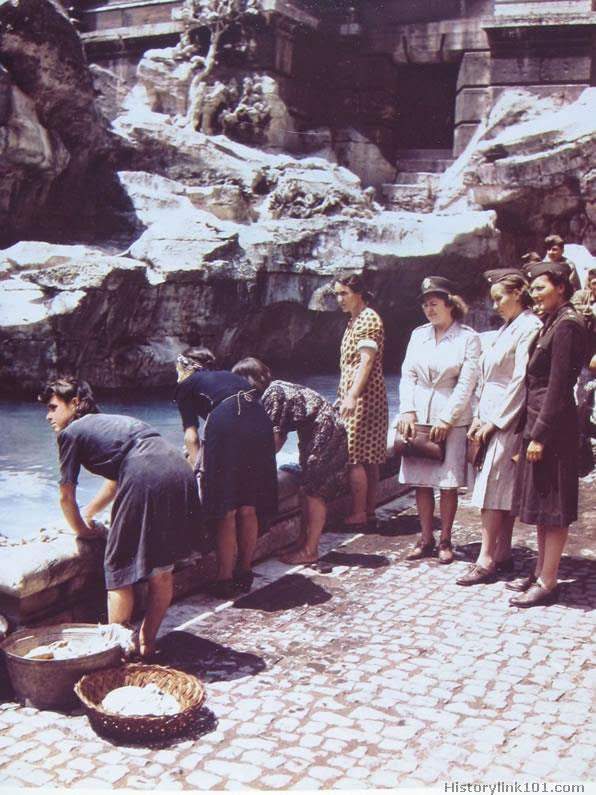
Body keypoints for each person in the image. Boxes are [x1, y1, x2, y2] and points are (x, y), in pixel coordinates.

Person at [40, 377, 200, 659]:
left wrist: (82, 530)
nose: (48, 415)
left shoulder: (71, 432)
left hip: (145, 472)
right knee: (161, 569)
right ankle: (147, 642)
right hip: (179, 469)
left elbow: (65, 497)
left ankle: (116, 653)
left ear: (75, 403)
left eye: (53, 407)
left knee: (118, 566)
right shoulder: (112, 421)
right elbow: (115, 482)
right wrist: (90, 514)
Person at [508, 261, 588, 607]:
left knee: (554, 507)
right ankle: (541, 570)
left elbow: (558, 386)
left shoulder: (568, 324)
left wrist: (539, 434)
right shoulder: (552, 321)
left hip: (553, 428)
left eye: (540, 287)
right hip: (539, 421)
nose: (534, 294)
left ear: (561, 286)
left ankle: (549, 579)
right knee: (543, 504)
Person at [456, 269, 542, 586]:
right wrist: (480, 414)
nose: (495, 306)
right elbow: (488, 378)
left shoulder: (529, 326)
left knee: (493, 487)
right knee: (498, 485)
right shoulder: (509, 326)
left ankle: (486, 559)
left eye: (500, 298)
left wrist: (495, 420)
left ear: (518, 292)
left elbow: (520, 379)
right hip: (492, 412)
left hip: (509, 417)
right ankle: (501, 552)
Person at [175, 347, 278, 598]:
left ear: (185, 367)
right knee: (247, 505)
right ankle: (244, 570)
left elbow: (191, 436)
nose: (176, 374)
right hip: (259, 420)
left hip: (228, 419)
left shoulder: (186, 384)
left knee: (225, 509)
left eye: (176, 369)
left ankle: (224, 578)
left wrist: (194, 471)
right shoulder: (228, 377)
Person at [232, 357, 349, 566]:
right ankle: (303, 543)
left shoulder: (272, 394)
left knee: (315, 492)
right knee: (307, 489)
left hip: (324, 434)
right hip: (322, 431)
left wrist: (253, 467)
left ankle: (310, 550)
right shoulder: (275, 389)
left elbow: (276, 440)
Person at [397, 276, 481, 564]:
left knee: (447, 483)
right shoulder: (417, 335)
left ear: (449, 304)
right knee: (420, 481)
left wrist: (447, 418)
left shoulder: (468, 337)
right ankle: (425, 538)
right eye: (425, 305)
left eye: (434, 304)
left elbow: (467, 383)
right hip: (419, 414)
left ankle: (445, 539)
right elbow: (407, 374)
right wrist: (406, 409)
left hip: (451, 417)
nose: (429, 310)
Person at [334, 272, 388, 531]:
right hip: (367, 396)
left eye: (344, 293)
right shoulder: (355, 319)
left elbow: (366, 362)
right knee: (369, 456)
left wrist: (352, 396)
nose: (339, 299)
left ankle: (358, 513)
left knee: (355, 456)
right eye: (337, 294)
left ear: (358, 293)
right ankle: (369, 511)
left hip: (363, 397)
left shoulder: (367, 320)